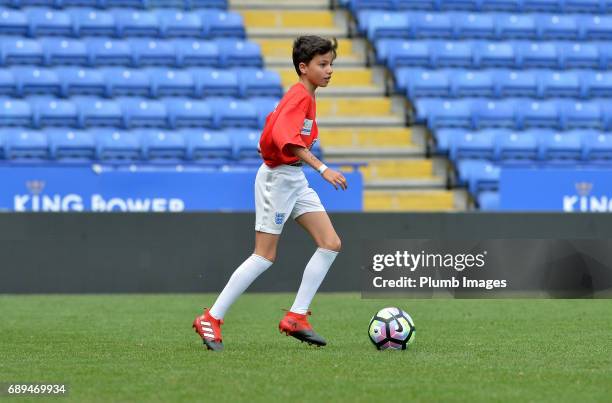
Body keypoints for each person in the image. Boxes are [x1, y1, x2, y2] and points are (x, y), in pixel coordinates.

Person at [193, 35, 348, 351]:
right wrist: (323, 169)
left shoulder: (306, 96)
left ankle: (296, 316)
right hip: (277, 180)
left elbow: (279, 134)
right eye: (323, 64)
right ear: (303, 67)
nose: (329, 69)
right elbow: (285, 139)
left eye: (331, 63)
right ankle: (212, 317)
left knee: (330, 243)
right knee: (264, 256)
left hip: (294, 179)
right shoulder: (299, 97)